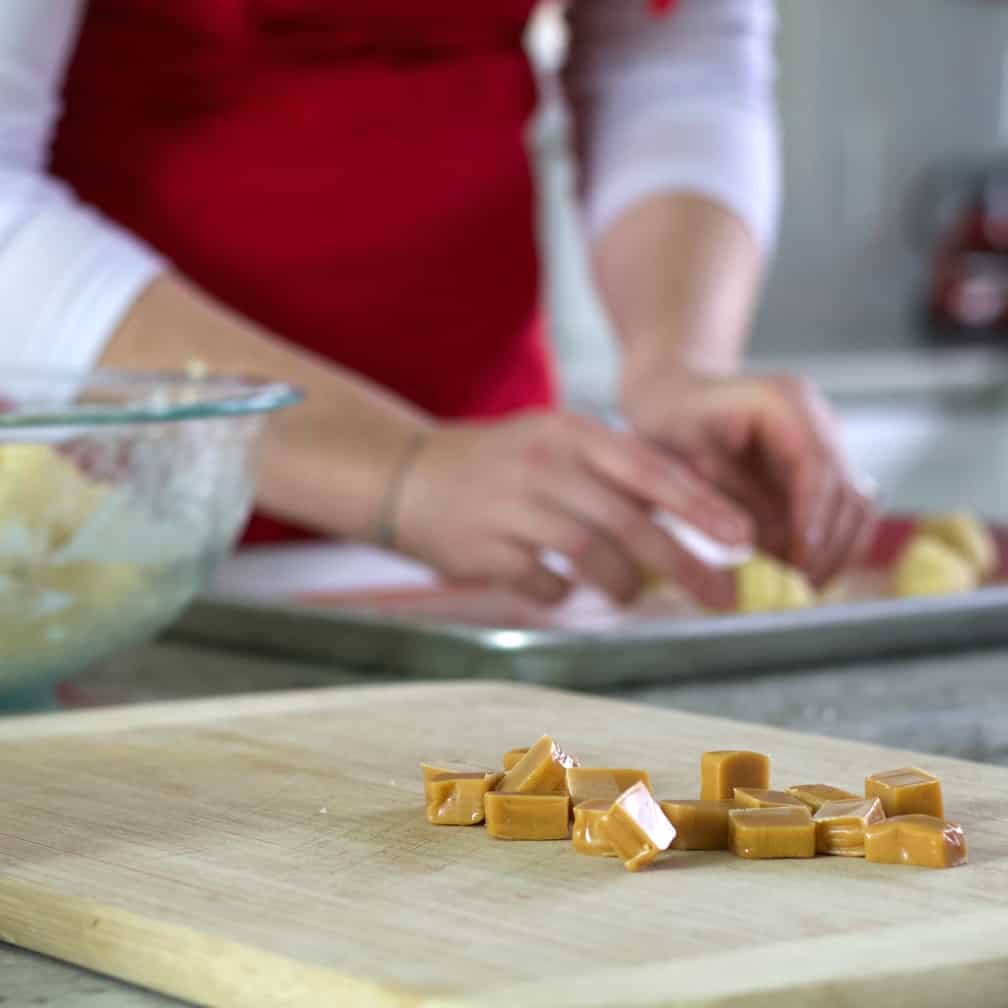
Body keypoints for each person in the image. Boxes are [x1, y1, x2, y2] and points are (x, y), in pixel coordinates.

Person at [0, 0, 873, 608]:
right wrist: (399, 469)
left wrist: (677, 362)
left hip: (492, 510)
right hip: (90, 530)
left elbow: (676, 61)